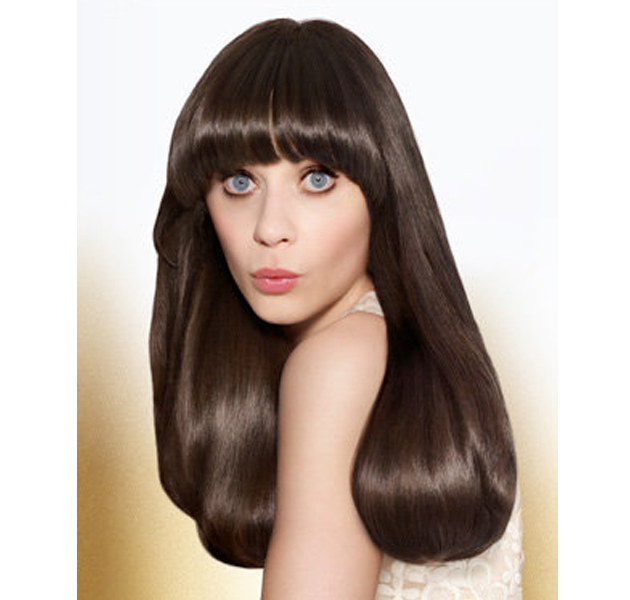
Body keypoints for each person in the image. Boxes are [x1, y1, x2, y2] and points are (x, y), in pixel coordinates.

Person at [149, 17, 524, 599]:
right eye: (240, 182)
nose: (270, 228)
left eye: (317, 179)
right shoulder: (401, 353)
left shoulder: (338, 363)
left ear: (381, 191)